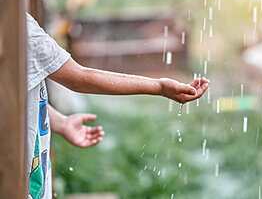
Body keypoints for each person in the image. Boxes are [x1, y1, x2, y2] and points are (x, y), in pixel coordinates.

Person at [26, 13, 210, 199]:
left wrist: (60, 122)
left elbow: (25, 97)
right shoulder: (22, 29)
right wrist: (159, 87)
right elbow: (79, 78)